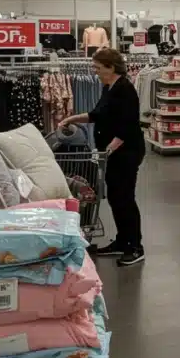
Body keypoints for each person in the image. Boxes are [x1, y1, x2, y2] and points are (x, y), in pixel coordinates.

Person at [59, 48, 147, 267]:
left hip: (126, 153)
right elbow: (97, 114)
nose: (95, 72)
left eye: (98, 68)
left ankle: (135, 247)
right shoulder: (109, 87)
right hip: (113, 154)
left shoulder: (125, 89)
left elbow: (129, 124)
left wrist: (110, 148)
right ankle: (122, 241)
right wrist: (72, 119)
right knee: (117, 199)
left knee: (124, 199)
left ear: (111, 67)